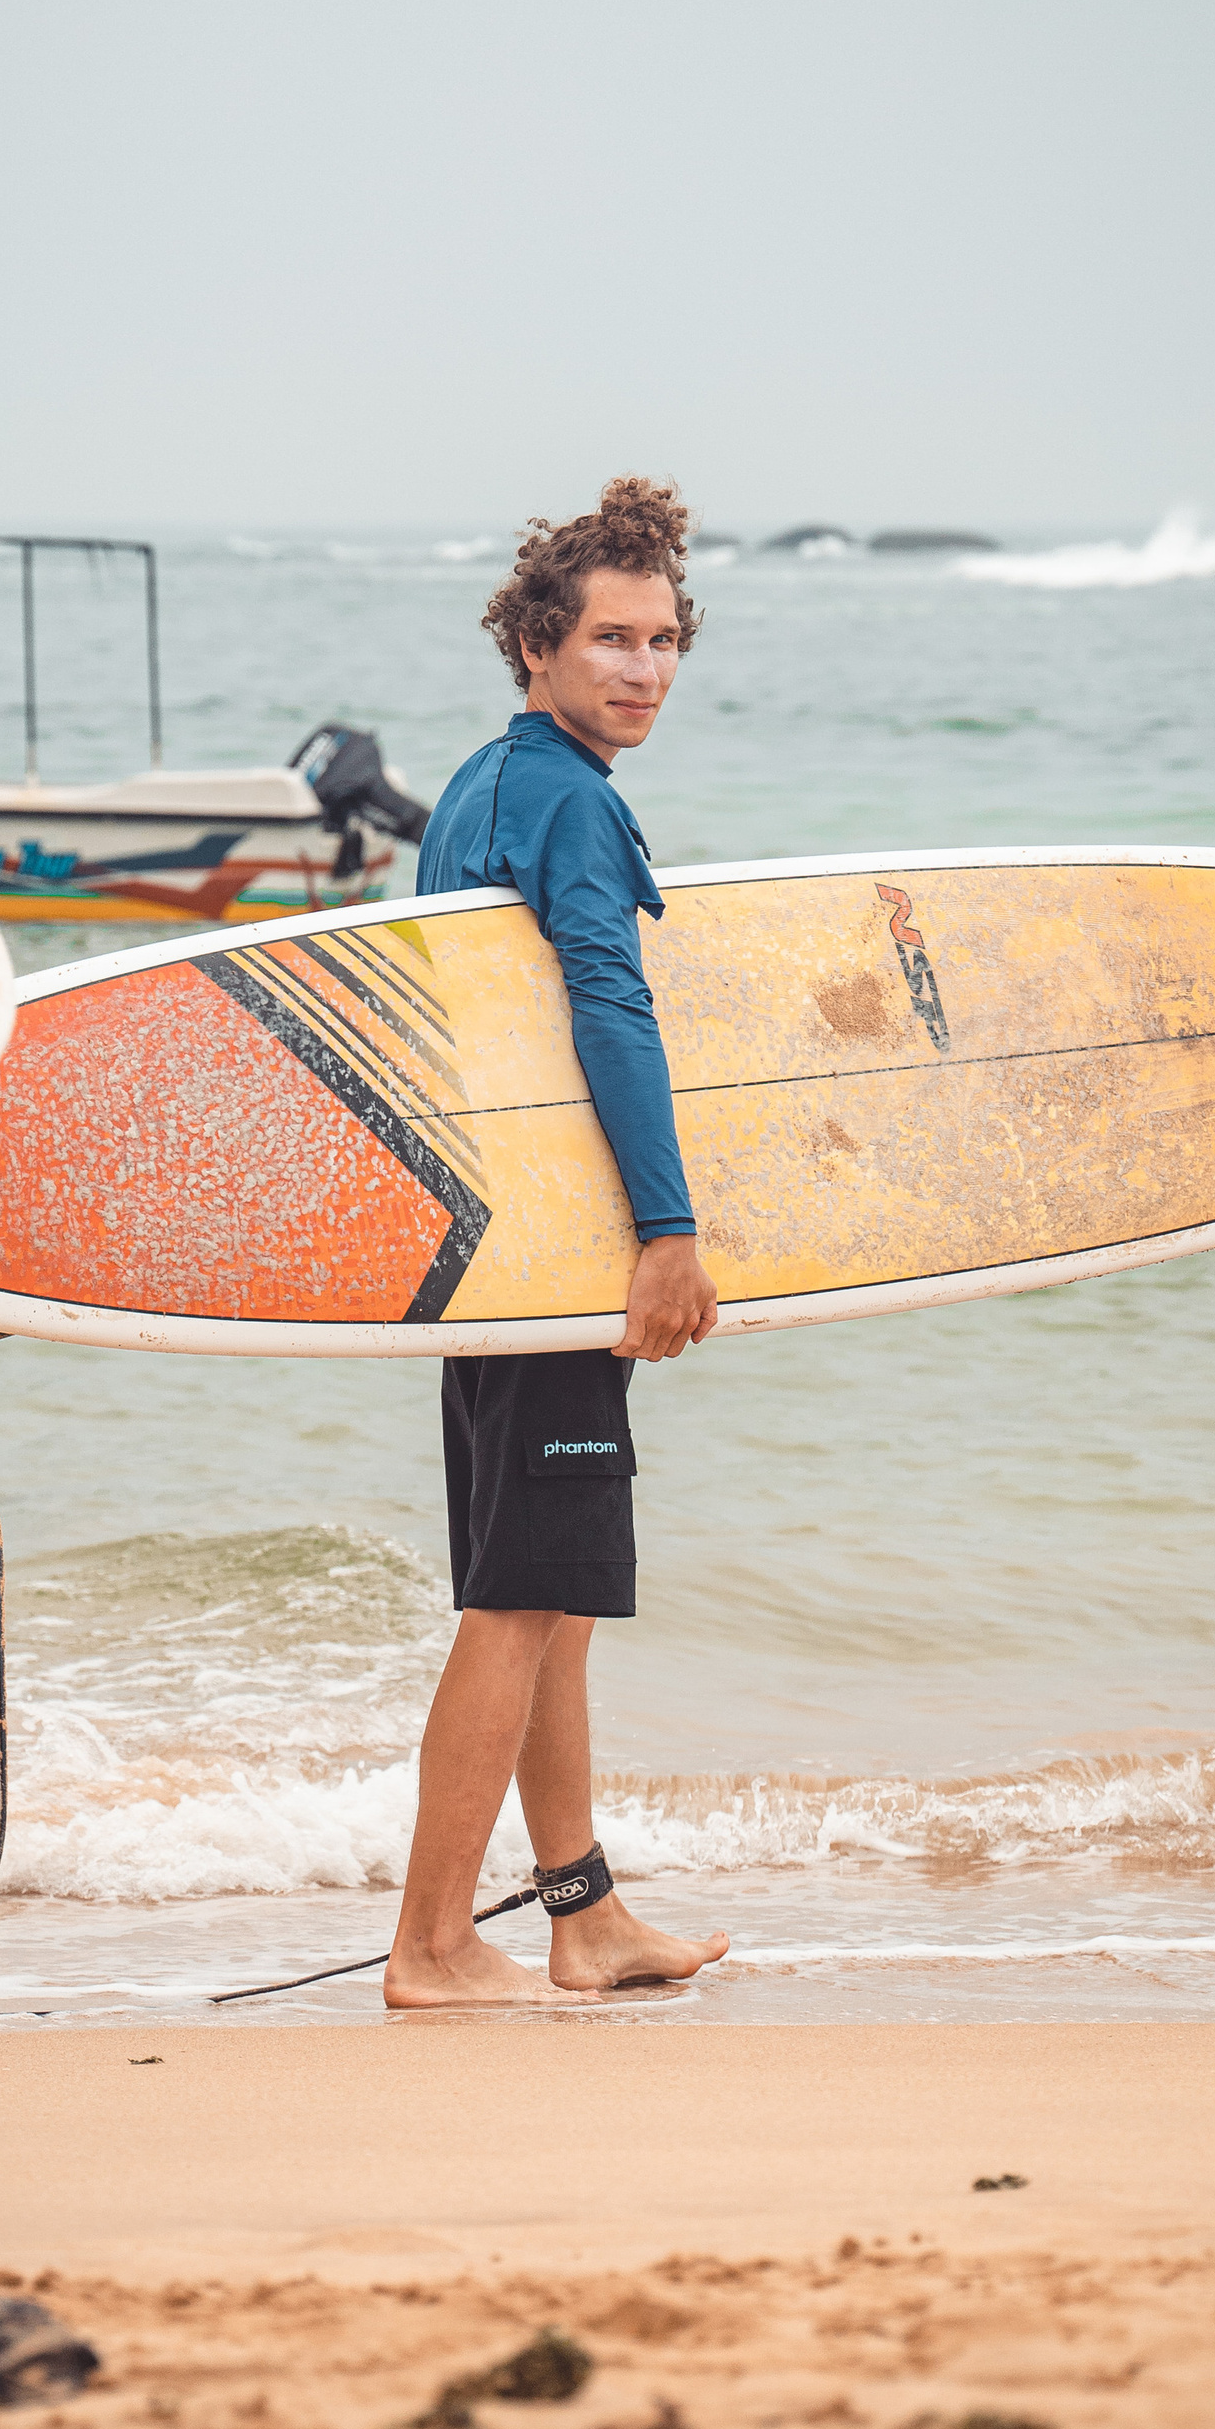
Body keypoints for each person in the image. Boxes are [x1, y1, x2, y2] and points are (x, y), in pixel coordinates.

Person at [382, 479, 732, 2008]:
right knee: (519, 1604)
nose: (641, 669)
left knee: (553, 1594)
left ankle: (580, 1919)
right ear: (537, 644)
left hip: (493, 1248)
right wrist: (668, 1229)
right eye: (610, 638)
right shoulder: (573, 800)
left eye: (662, 641)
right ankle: (433, 1945)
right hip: (553, 1257)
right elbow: (608, 1001)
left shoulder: (488, 784)